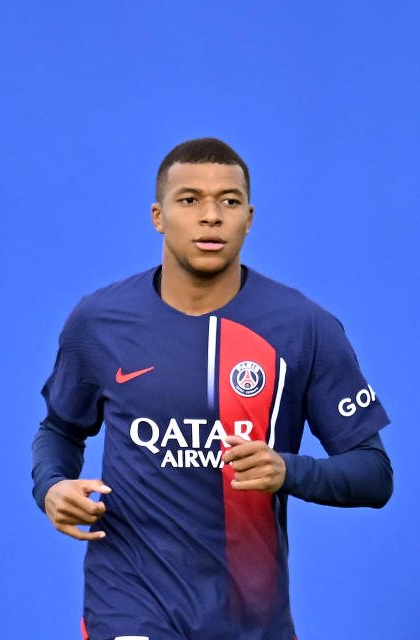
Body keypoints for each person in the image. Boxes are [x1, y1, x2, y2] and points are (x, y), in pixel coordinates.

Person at [31, 138, 393, 640]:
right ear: (158, 216)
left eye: (228, 201)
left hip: (250, 620)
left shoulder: (304, 328)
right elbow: (60, 430)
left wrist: (289, 470)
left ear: (249, 217)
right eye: (190, 200)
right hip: (129, 601)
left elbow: (375, 475)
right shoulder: (99, 322)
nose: (211, 216)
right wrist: (50, 487)